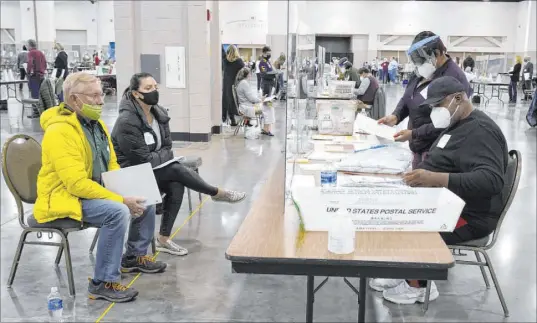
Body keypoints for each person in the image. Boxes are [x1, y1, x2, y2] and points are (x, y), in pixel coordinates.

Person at [372, 76, 508, 305]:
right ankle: (403, 269)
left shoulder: (481, 131)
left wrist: (437, 178)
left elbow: (492, 180)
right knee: (393, 209)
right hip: (447, 201)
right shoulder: (457, 124)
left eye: (439, 105)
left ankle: (419, 285)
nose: (436, 111)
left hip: (469, 215)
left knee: (412, 222)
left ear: (459, 98)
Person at [35, 72, 166, 303]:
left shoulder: (96, 125)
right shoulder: (60, 132)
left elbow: (111, 163)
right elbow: (76, 184)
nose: (101, 100)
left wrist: (125, 189)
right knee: (117, 212)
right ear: (75, 99)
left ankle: (134, 256)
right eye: (95, 95)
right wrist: (121, 200)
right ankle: (102, 283)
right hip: (66, 197)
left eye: (101, 94)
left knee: (143, 194)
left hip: (92, 190)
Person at [112, 73, 246, 256]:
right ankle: (216, 192)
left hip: (154, 170)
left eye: (155, 87)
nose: (154, 91)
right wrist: (161, 156)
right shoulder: (127, 121)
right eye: (148, 88)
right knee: (175, 170)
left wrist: (159, 156)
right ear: (136, 94)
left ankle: (163, 239)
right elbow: (142, 160)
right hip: (132, 174)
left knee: (176, 183)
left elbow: (168, 148)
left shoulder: (159, 113)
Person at [378, 31, 470, 169]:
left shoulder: (453, 78)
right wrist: (396, 116)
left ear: (438, 53)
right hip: (418, 146)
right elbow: (408, 96)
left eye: (422, 61)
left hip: (437, 151)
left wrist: (414, 134)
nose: (420, 65)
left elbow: (448, 122)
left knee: (427, 187)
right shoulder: (421, 72)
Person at [222, 45, 244, 126]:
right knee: (237, 100)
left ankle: (231, 119)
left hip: (226, 83)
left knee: (227, 100)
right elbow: (244, 72)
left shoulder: (224, 61)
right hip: (236, 84)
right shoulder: (239, 62)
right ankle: (241, 118)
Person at [26, 39, 47, 118]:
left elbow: (30, 63)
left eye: (27, 45)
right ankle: (42, 110)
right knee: (41, 94)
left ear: (30, 45)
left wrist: (28, 72)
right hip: (41, 75)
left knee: (34, 94)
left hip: (34, 76)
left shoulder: (31, 53)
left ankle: (36, 112)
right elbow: (45, 63)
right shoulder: (40, 52)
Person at [258, 46, 276, 136]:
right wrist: (273, 75)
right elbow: (264, 74)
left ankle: (266, 128)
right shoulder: (262, 63)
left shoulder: (268, 62)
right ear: (264, 53)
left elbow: (271, 71)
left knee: (269, 107)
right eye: (268, 53)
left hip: (270, 86)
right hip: (266, 86)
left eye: (270, 53)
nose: (269, 55)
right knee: (267, 108)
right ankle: (266, 129)